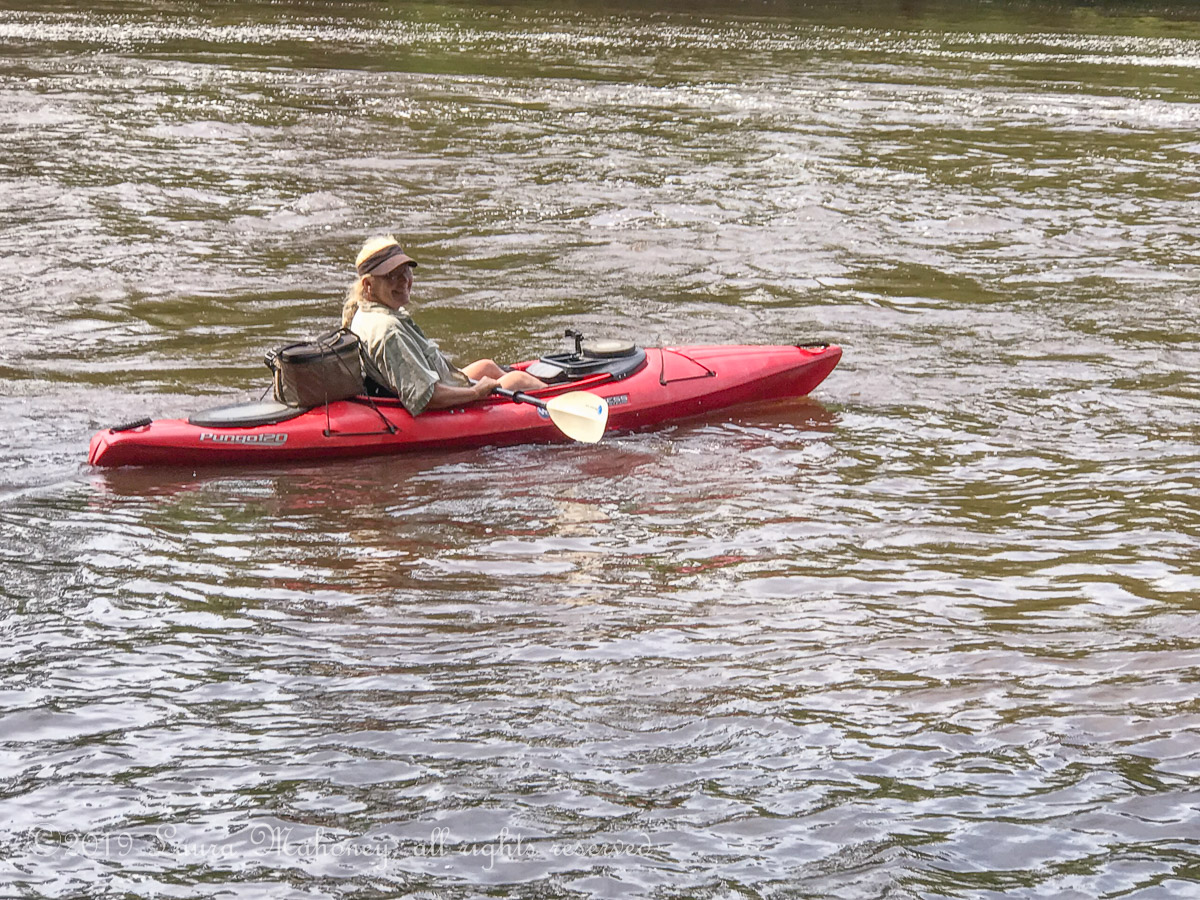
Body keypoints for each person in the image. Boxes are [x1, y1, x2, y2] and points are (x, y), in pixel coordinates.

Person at [342, 235, 546, 416]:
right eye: (392, 275)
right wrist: (476, 392)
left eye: (405, 270)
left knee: (487, 366)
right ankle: (561, 401)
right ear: (368, 285)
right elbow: (428, 396)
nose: (404, 280)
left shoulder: (368, 310)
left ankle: (558, 389)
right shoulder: (388, 330)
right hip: (437, 400)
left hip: (433, 382)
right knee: (518, 380)